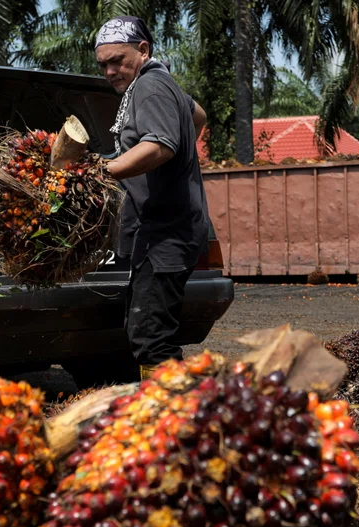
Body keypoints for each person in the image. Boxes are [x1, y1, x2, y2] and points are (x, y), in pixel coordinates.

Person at [94, 16, 210, 380]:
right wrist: (182, 151)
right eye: (103, 65)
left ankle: (172, 409)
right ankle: (169, 404)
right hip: (164, 231)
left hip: (167, 233)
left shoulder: (150, 86)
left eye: (117, 61)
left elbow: (159, 146)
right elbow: (198, 115)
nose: (110, 71)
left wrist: (101, 171)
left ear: (143, 50)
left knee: (152, 338)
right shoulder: (162, 83)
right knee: (145, 327)